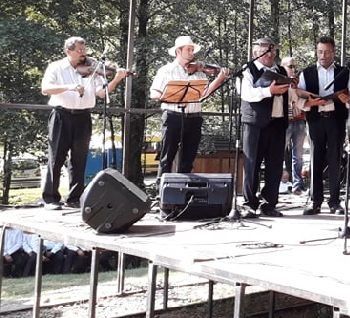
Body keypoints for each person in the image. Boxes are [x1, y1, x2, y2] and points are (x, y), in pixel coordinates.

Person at [40, 36, 128, 210]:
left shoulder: (92, 68)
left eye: (84, 49)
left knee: (79, 159)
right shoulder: (56, 67)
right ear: (68, 51)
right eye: (79, 50)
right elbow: (46, 89)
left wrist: (117, 79)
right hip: (61, 115)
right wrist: (70, 86)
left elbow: (102, 93)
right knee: (56, 157)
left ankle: (75, 198)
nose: (84, 53)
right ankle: (50, 198)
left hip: (83, 116)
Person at [149, 35, 229, 179]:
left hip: (194, 118)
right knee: (167, 157)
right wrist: (172, 97)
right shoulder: (166, 70)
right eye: (189, 49)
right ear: (178, 51)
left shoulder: (199, 72)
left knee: (188, 160)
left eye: (192, 49)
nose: (192, 53)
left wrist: (219, 79)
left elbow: (204, 93)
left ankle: (183, 190)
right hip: (173, 116)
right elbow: (154, 93)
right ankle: (162, 189)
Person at [238, 37, 289, 217]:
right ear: (256, 52)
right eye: (265, 51)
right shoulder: (248, 69)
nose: (269, 54)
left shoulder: (280, 70)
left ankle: (269, 204)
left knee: (275, 165)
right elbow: (246, 93)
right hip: (255, 123)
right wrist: (269, 91)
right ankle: (249, 204)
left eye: (272, 51)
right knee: (252, 163)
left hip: (277, 122)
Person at [300, 37, 350, 215]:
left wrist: (346, 99)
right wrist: (311, 102)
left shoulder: (344, 72)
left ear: (333, 52)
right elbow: (299, 99)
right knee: (316, 160)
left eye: (327, 52)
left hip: (336, 120)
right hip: (315, 120)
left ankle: (335, 202)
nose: (323, 55)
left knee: (335, 160)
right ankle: (316, 201)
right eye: (320, 51)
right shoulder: (306, 73)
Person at [280, 56, 307, 196]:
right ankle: (279, 183)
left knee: (298, 155)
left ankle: (297, 185)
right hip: (284, 121)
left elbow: (304, 97)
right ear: (283, 67)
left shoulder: (300, 81)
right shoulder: (279, 82)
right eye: (290, 66)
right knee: (279, 153)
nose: (293, 69)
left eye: (295, 67)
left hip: (299, 120)